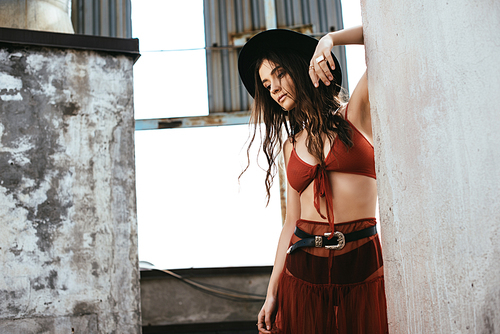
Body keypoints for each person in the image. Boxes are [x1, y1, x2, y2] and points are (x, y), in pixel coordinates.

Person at [238, 26, 388, 334]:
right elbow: (291, 223)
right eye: (267, 84)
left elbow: (386, 36)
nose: (274, 88)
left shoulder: (355, 116)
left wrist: (329, 40)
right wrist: (271, 293)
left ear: (302, 66)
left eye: (279, 74)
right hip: (302, 270)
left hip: (363, 264)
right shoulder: (291, 146)